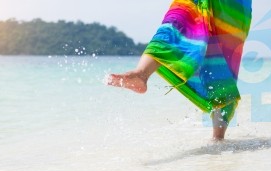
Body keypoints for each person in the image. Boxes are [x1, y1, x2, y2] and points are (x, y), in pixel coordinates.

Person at [107, 0, 252, 140]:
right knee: (179, 19)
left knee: (222, 61)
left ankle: (218, 139)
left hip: (232, 5)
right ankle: (141, 74)